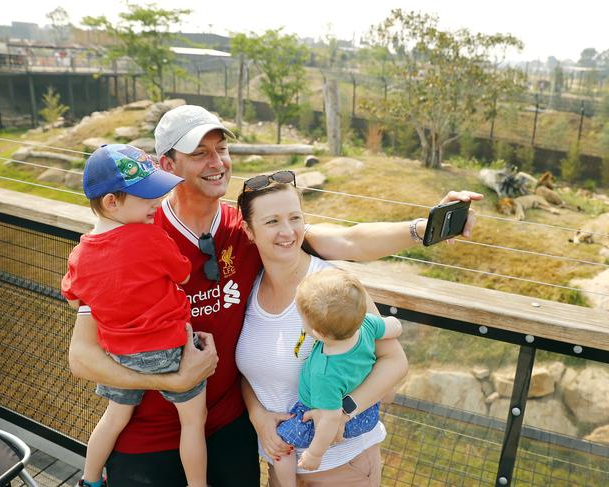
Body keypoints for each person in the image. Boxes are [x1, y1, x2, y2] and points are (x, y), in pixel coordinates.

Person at [68, 104, 483, 487]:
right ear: (167, 164)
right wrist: (170, 379)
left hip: (231, 432)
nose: (217, 162)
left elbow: (346, 241)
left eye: (222, 148)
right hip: (148, 437)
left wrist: (424, 227)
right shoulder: (130, 237)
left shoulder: (249, 229)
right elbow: (81, 357)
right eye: (199, 153)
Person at [236, 173, 409, 486]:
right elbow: (246, 371)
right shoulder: (247, 288)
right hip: (282, 468)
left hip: (344, 467)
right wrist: (257, 416)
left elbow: (394, 361)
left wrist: (341, 411)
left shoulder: (334, 288)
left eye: (295, 218)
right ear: (249, 230)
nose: (287, 231)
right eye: (272, 221)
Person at [61, 144, 208, 487]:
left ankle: (90, 479)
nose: (157, 203)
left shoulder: (80, 255)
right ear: (112, 201)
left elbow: (72, 298)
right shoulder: (150, 237)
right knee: (193, 420)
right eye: (147, 197)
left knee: (114, 418)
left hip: (120, 356)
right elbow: (183, 274)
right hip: (169, 348)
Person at [270, 267, 403, 485]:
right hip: (367, 412)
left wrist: (315, 453)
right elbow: (394, 327)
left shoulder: (325, 372)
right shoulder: (366, 324)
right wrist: (395, 325)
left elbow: (331, 418)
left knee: (281, 446)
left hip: (321, 416)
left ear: (320, 335)